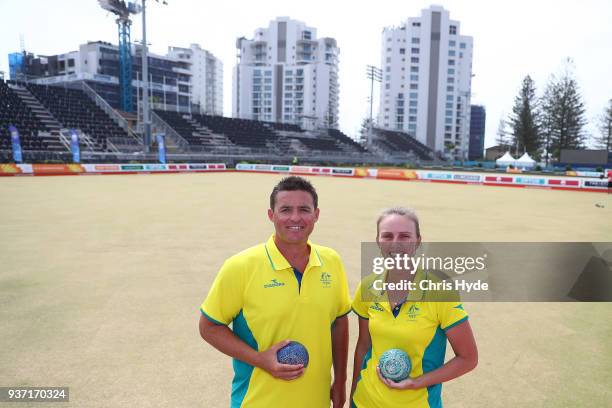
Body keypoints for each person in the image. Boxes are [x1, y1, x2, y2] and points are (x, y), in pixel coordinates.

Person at [199, 176, 351, 408]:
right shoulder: (240, 266)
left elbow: (339, 323)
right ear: (271, 215)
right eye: (285, 210)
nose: (295, 218)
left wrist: (340, 381)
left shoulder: (332, 261)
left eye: (304, 209)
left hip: (316, 401)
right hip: (257, 401)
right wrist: (259, 359)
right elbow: (208, 327)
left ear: (316, 215)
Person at [350, 207, 478, 408]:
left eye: (405, 236)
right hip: (365, 401)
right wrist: (352, 398)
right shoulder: (367, 287)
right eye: (387, 236)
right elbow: (364, 347)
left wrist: (416, 383)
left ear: (418, 240)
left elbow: (468, 358)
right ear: (378, 241)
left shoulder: (440, 292)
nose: (396, 243)